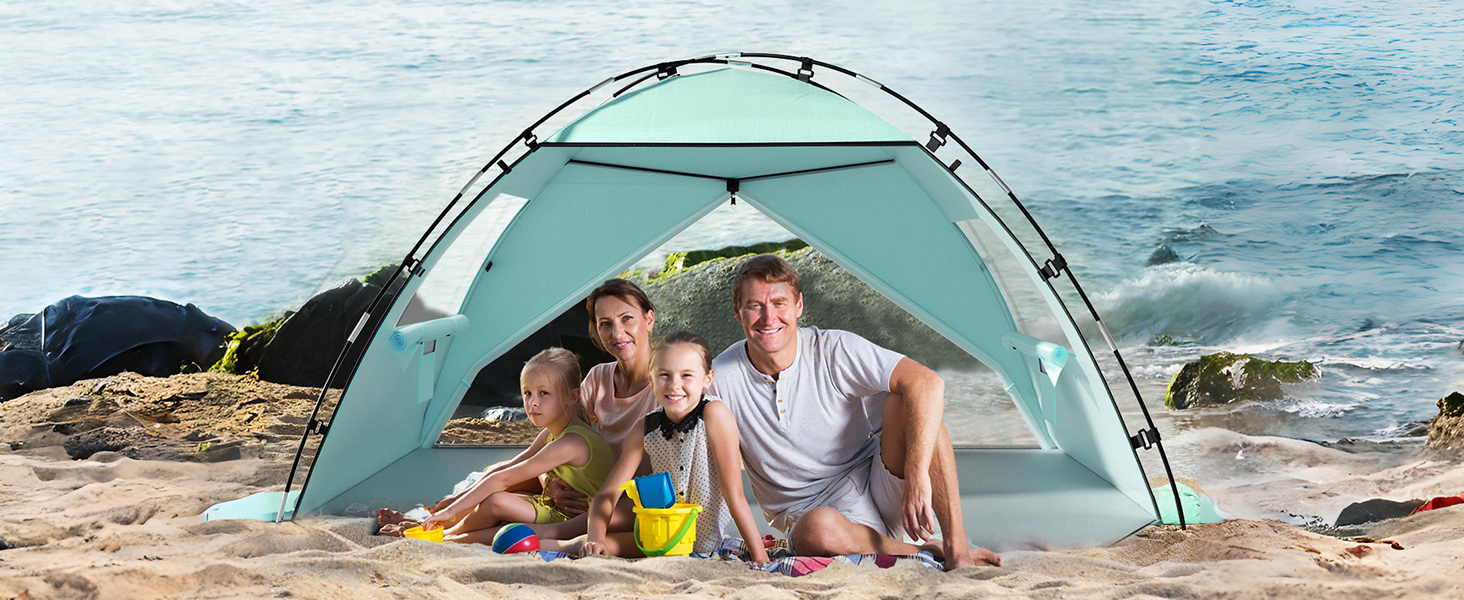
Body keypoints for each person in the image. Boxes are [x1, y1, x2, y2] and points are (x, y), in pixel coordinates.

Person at [710, 255, 1000, 569]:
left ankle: (958, 551)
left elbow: (929, 383)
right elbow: (669, 421)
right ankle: (920, 551)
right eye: (755, 306)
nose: (769, 318)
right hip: (814, 519)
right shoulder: (719, 377)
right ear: (737, 310)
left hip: (881, 486)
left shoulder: (834, 348)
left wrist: (916, 476)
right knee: (817, 529)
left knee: (909, 400)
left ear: (798, 306)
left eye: (779, 303)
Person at [564, 331, 770, 562]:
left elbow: (735, 495)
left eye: (686, 375)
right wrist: (596, 539)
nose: (674, 385)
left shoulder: (714, 414)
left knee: (591, 535)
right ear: (651, 379)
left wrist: (761, 558)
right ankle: (528, 545)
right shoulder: (645, 426)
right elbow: (609, 493)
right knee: (590, 543)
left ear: (707, 378)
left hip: (703, 542)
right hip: (660, 537)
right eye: (664, 375)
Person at [415, 348, 616, 544]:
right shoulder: (551, 433)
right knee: (491, 485)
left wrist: (453, 509)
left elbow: (505, 479)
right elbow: (510, 466)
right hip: (553, 505)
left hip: (573, 519)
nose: (533, 403)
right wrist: (455, 500)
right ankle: (435, 525)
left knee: (496, 501)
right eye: (528, 393)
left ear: (572, 397)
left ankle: (447, 534)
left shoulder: (572, 442)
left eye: (544, 393)